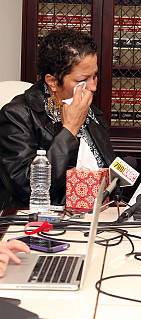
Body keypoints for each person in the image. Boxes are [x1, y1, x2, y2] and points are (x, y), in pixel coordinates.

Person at [0, 29, 115, 210]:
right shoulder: (16, 116)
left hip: (97, 215)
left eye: (95, 76)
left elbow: (107, 170)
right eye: (83, 79)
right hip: (39, 221)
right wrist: (69, 129)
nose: (93, 87)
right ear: (52, 81)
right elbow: (28, 188)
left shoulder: (91, 111)